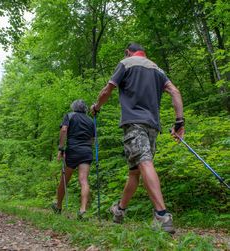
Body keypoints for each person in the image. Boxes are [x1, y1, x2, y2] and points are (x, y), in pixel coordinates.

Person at [91, 43, 184, 234]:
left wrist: (96, 107)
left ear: (128, 52)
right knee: (135, 171)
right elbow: (175, 92)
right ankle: (120, 211)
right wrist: (179, 123)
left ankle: (162, 215)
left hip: (134, 123)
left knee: (144, 162)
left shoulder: (126, 63)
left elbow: (107, 90)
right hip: (153, 126)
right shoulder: (157, 69)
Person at [52, 99, 95, 219]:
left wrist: (61, 148)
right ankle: (82, 210)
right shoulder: (91, 120)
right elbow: (92, 139)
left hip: (73, 151)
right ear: (85, 108)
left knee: (64, 180)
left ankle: (59, 206)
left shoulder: (69, 116)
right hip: (86, 151)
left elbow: (64, 129)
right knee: (84, 180)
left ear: (74, 107)